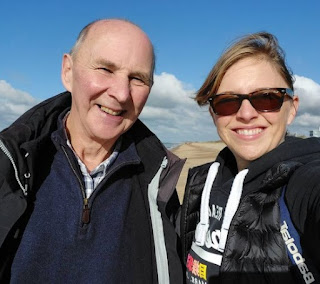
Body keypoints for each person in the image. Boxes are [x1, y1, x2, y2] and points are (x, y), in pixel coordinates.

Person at [0, 19, 185, 283]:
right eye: (105, 69)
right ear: (68, 71)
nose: (121, 94)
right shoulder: (11, 168)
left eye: (137, 78)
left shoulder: (159, 183)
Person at [181, 32, 320, 283]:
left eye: (266, 98)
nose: (246, 114)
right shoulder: (200, 183)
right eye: (227, 102)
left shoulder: (302, 184)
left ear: (292, 108)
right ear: (214, 114)